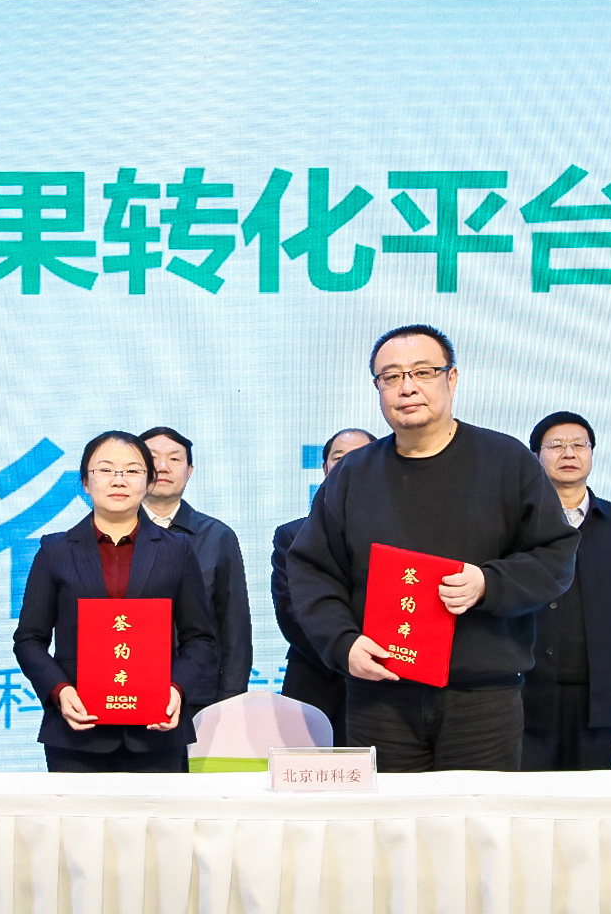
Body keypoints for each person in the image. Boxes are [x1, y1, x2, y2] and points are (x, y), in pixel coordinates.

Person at [286, 326, 578, 772]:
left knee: (476, 816)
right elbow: (312, 570)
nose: (407, 387)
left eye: (423, 372)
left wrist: (489, 584)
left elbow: (555, 555)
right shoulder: (353, 474)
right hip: (379, 697)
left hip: (481, 699)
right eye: (391, 377)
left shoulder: (505, 460)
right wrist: (342, 643)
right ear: (379, 389)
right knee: (387, 817)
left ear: (451, 378)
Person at [15, 430, 218, 772]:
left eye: (133, 470)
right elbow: (29, 640)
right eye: (106, 470)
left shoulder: (177, 550)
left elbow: (200, 638)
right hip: (77, 733)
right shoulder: (55, 551)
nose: (118, 480)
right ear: (85, 481)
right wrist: (60, 691)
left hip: (156, 730)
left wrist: (176, 689)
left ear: (148, 481)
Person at [516, 413, 611, 771]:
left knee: (590, 799)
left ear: (591, 453)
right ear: (535, 456)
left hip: (599, 697)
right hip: (524, 693)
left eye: (579, 445)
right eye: (556, 446)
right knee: (526, 798)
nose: (569, 453)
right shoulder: (514, 522)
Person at [271, 426, 375, 739]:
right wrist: (345, 650)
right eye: (338, 457)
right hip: (315, 678)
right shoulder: (292, 535)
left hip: (385, 679)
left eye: (359, 456)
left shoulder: (403, 533)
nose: (347, 464)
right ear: (325, 468)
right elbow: (290, 610)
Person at [140, 425, 253, 699]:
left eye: (174, 458)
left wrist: (231, 698)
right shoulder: (111, 535)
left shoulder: (217, 536)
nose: (163, 467)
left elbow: (234, 627)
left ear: (189, 471)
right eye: (152, 458)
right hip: (127, 690)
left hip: (198, 694)